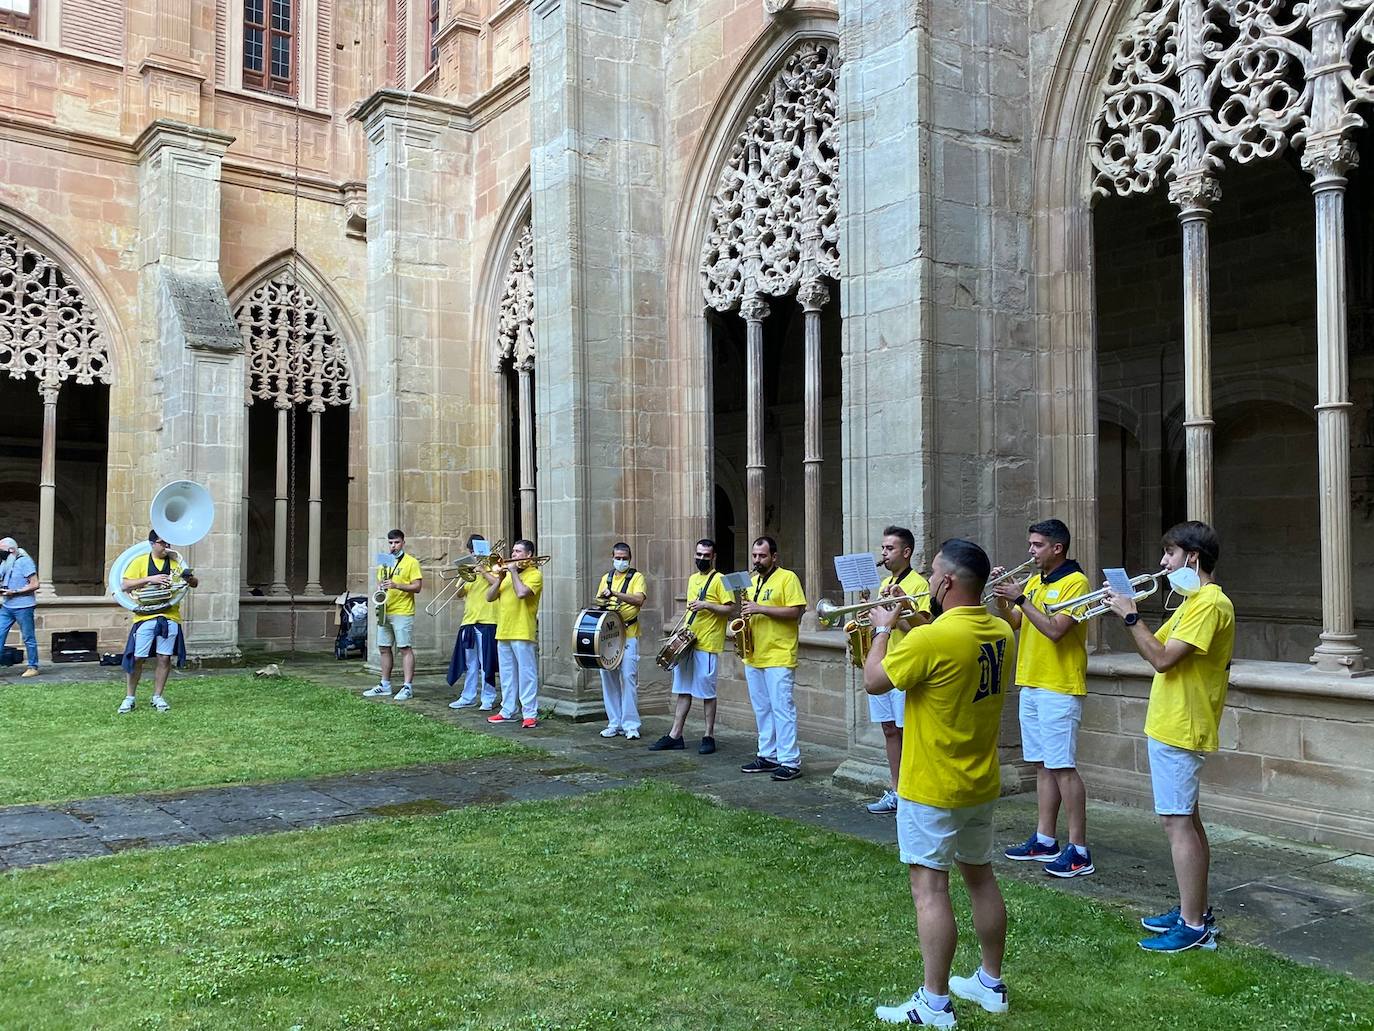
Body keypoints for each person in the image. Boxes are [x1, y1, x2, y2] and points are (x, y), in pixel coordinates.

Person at [865, 539, 1014, 1028]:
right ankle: (990, 983)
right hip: (980, 780)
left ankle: (933, 1003)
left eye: (932, 574)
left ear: (947, 582)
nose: (927, 581)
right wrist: (911, 622)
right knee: (981, 876)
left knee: (929, 889)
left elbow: (874, 680)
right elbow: (945, 650)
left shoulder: (932, 640)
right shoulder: (1000, 630)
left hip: (933, 783)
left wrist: (884, 630)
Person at [1104, 520, 1233, 953]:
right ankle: (1192, 909)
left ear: (1191, 557)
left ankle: (1194, 926)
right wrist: (1126, 615)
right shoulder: (1193, 600)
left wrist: (1131, 614)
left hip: (1183, 725)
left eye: (1170, 554)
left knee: (1177, 825)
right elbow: (1151, 646)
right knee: (1188, 823)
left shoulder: (1209, 603)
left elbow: (1162, 660)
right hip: (1172, 722)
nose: (1162, 562)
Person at [991, 518, 1095, 878]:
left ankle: (1079, 849)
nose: (1030, 551)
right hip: (1031, 682)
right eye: (1030, 544)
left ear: (1057, 548)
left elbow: (1055, 630)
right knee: (1041, 765)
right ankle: (1045, 837)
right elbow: (1017, 623)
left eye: (1036, 545)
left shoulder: (1076, 582)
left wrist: (1019, 596)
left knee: (1063, 767)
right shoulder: (1036, 579)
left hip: (1059, 685)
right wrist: (1006, 596)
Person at [864, 525, 932, 815]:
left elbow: (925, 627)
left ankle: (913, 793)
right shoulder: (884, 583)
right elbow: (882, 626)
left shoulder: (919, 584)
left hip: (905, 667)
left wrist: (900, 609)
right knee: (889, 730)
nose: (883, 553)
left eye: (889, 548)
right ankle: (896, 790)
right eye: (882, 548)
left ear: (906, 552)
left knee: (908, 732)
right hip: (883, 665)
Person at [649, 538, 733, 754]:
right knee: (683, 689)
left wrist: (706, 605)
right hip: (688, 641)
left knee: (707, 692)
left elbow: (730, 609)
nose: (702, 559)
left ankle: (708, 736)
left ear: (714, 557)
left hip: (708, 642)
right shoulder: (693, 579)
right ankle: (675, 734)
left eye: (706, 555)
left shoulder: (722, 580)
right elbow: (689, 610)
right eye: (699, 555)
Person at [738, 536, 807, 782]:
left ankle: (790, 761)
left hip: (779, 653)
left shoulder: (788, 578)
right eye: (755, 556)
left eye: (762, 556)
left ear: (774, 557)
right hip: (755, 654)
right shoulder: (752, 580)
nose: (757, 560)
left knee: (782, 709)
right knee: (762, 709)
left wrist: (760, 608)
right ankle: (768, 755)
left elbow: (796, 611)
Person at [119, 530, 199, 713]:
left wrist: (190, 578)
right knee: (138, 657)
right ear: (152, 543)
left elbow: (193, 584)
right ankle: (129, 697)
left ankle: (158, 696)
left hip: (170, 615)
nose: (167, 547)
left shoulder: (175, 563)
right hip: (145, 616)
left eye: (168, 543)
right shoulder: (139, 561)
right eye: (163, 543)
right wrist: (150, 579)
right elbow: (124, 585)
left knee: (164, 657)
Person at [486, 539, 544, 729]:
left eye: (518, 552)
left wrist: (512, 572)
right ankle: (508, 710)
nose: (513, 554)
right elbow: (489, 597)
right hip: (503, 630)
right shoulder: (507, 575)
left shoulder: (534, 574)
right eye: (513, 551)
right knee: (507, 674)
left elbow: (521, 593)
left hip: (522, 630)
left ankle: (529, 713)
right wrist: (501, 578)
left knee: (527, 673)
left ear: (529, 555)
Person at [596, 542, 648, 740]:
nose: (620, 561)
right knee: (607, 678)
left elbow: (638, 600)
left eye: (624, 558)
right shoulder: (605, 578)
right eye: (617, 558)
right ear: (612, 557)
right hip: (609, 635)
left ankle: (631, 725)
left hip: (629, 633)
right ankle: (614, 722)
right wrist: (603, 598)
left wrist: (616, 594)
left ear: (630, 558)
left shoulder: (637, 577)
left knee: (628, 678)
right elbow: (600, 602)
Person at [364, 529, 423, 701]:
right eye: (390, 543)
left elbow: (417, 587)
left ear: (403, 542)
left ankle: (407, 686)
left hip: (402, 611)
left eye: (396, 542)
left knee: (404, 648)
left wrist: (397, 585)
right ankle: (385, 684)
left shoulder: (411, 562)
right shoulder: (384, 562)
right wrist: (381, 588)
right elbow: (380, 583)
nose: (393, 546)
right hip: (385, 609)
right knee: (383, 647)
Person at [447, 533, 499, 710]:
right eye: (472, 552)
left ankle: (488, 698)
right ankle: (468, 696)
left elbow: (497, 583)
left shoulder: (494, 565)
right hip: (469, 621)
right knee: (470, 664)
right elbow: (459, 594)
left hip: (489, 619)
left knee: (487, 663)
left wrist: (483, 571)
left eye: (477, 551)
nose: (475, 555)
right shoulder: (468, 568)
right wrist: (465, 573)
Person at [0, 536, 40, 678]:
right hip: (6, 606)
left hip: (23, 606)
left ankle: (33, 666)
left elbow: (35, 584)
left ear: (12, 550)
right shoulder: (5, 563)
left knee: (28, 637)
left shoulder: (25, 561)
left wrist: (15, 592)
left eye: (2, 550)